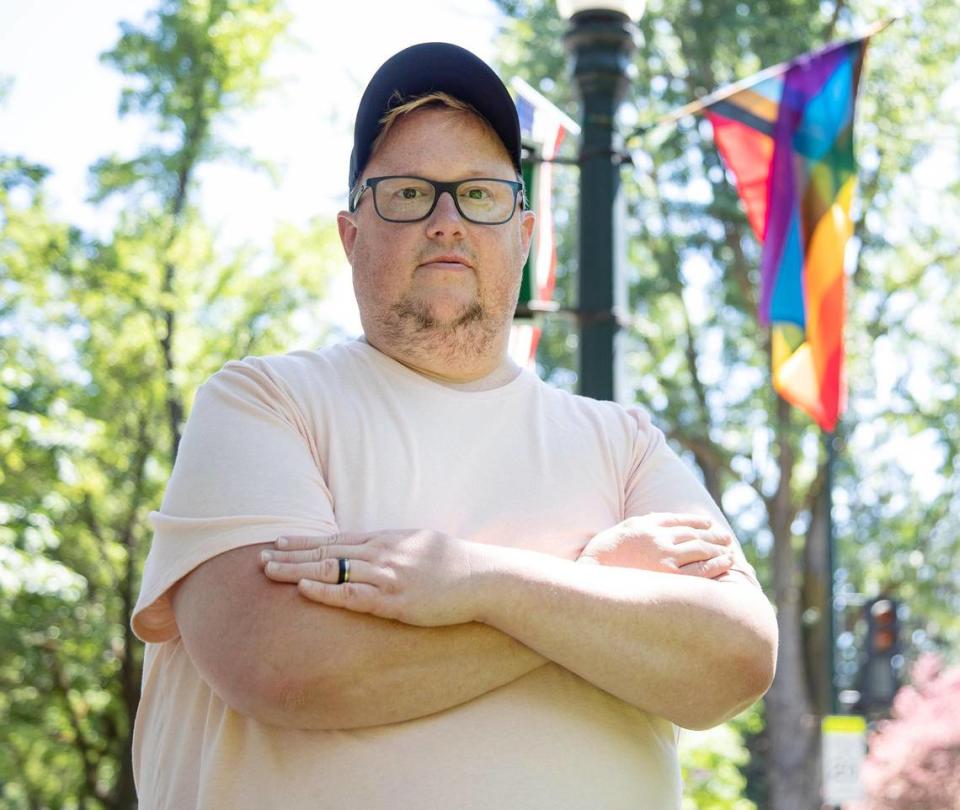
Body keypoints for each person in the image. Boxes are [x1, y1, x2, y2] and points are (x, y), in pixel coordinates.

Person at [130, 42, 777, 810]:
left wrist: (473, 583)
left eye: (479, 195)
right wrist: (599, 591)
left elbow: (733, 658)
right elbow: (282, 659)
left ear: (525, 234)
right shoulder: (264, 403)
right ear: (351, 235)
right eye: (408, 194)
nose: (446, 220)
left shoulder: (625, 444)